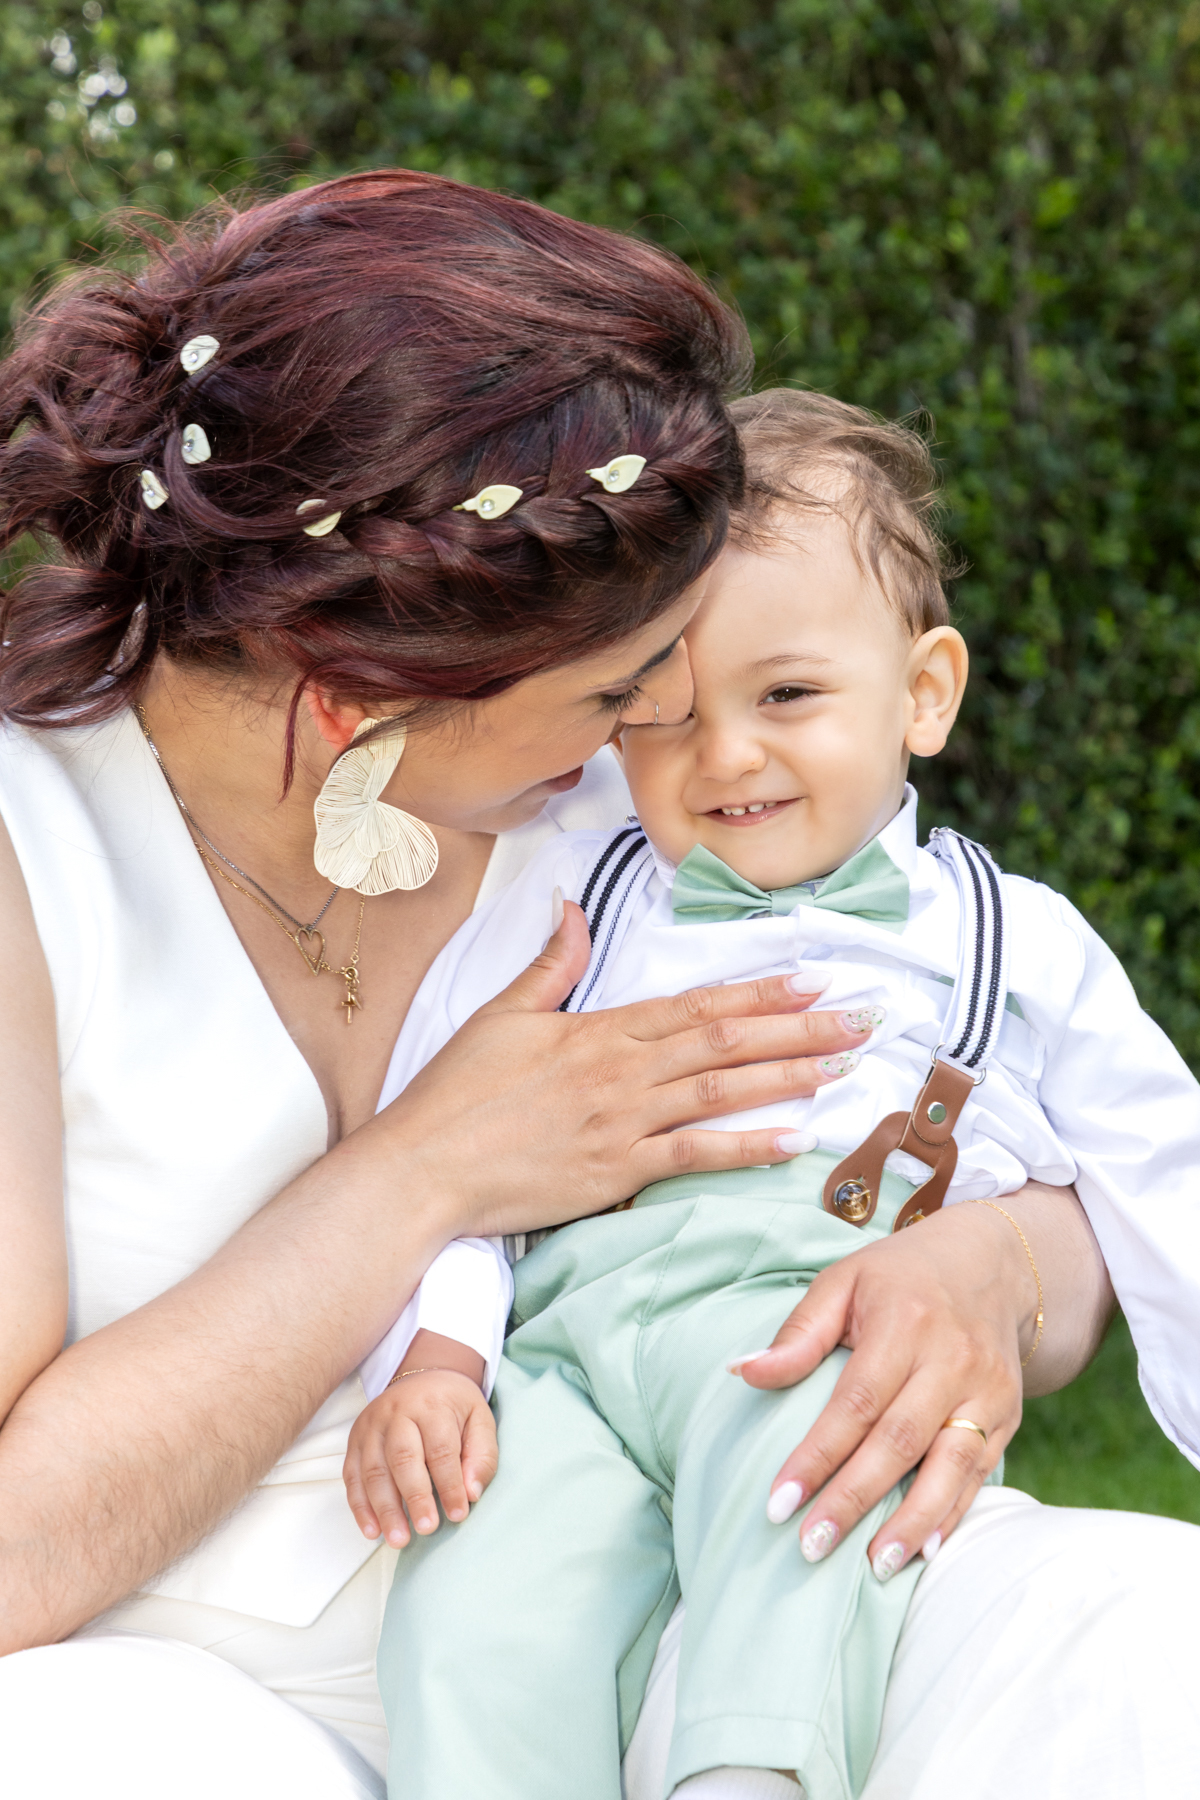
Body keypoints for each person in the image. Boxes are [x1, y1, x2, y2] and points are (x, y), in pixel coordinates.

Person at [0, 172, 1184, 1800]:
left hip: (691, 1567)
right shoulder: (26, 858)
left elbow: (968, 1089)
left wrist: (996, 1273)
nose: (663, 734)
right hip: (167, 1691)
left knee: (1144, 1651)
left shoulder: (627, 825)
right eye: (619, 691)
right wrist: (430, 1167)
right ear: (380, 686)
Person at [343, 389, 1200, 1800]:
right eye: (667, 715)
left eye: (787, 695)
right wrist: (440, 1357)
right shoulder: (578, 900)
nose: (725, 757)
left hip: (814, 1322)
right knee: (473, 1600)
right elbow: (448, 1132)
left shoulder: (1010, 937)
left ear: (923, 693)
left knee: (809, 1526)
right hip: (565, 1347)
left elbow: (1160, 1176)